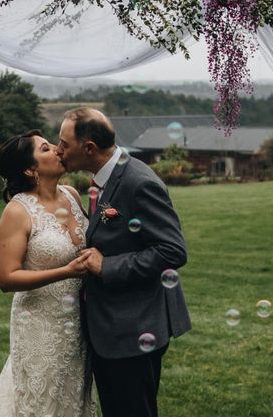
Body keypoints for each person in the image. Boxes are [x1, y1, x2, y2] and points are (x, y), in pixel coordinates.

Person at [57, 108, 191, 417]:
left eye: (64, 143)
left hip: (133, 329)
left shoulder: (137, 182)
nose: (59, 149)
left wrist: (108, 266)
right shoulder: (105, 179)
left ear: (88, 148)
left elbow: (173, 251)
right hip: (115, 327)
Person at [0, 129, 97, 417]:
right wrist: (67, 271)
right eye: (46, 149)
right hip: (39, 323)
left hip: (77, 322)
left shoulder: (71, 195)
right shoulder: (17, 211)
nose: (58, 150)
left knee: (71, 398)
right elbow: (7, 278)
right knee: (40, 401)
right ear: (30, 169)